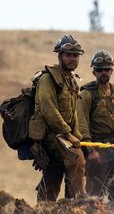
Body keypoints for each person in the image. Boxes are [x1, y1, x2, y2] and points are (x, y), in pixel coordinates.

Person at [31, 34, 86, 202]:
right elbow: (49, 110)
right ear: (60, 55)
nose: (72, 59)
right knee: (76, 159)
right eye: (68, 55)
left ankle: (45, 210)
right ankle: (75, 204)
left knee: (55, 170)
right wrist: (68, 134)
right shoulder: (48, 78)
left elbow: (73, 112)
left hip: (63, 135)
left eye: (75, 55)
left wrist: (77, 136)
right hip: (50, 135)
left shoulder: (71, 80)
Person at [77, 49, 114, 200]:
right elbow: (82, 124)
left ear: (112, 70)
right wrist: (90, 150)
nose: (104, 73)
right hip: (97, 148)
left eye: (107, 69)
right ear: (94, 72)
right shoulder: (86, 95)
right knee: (95, 196)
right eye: (100, 70)